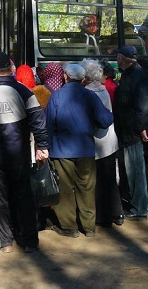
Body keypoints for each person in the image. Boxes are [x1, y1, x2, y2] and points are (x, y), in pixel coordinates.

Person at [0, 52, 49, 253]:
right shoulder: (23, 91)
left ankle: (5, 241)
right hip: (19, 155)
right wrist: (43, 145)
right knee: (24, 197)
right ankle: (29, 240)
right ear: (11, 69)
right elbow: (38, 121)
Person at [46, 63, 113, 237]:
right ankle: (89, 227)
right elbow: (105, 120)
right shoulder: (90, 96)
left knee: (66, 189)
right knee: (87, 188)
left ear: (65, 77)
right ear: (83, 79)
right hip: (85, 149)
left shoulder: (56, 96)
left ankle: (69, 227)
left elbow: (48, 125)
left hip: (61, 151)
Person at [113, 45, 148, 221]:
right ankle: (141, 204)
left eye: (118, 56)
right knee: (133, 169)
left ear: (123, 59)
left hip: (134, 131)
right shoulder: (131, 74)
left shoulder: (137, 76)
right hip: (129, 129)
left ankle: (140, 207)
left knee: (135, 169)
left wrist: (142, 128)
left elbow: (143, 105)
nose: (116, 59)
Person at [82, 60, 123, 228]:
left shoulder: (87, 94)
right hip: (109, 142)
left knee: (97, 182)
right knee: (110, 179)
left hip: (96, 143)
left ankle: (102, 216)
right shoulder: (103, 90)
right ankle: (117, 212)